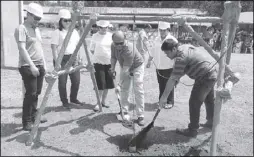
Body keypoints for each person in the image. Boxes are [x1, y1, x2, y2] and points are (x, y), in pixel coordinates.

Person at [159, 39, 217, 137]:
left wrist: (164, 97)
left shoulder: (181, 58)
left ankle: (193, 130)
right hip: (211, 72)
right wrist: (176, 79)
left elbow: (172, 78)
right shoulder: (184, 47)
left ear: (174, 49)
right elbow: (185, 66)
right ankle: (212, 122)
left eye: (167, 53)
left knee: (194, 102)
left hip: (204, 76)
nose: (166, 55)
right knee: (209, 99)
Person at [14, 3, 48, 131]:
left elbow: (39, 47)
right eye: (36, 18)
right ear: (28, 14)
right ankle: (26, 121)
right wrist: (32, 66)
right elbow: (22, 49)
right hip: (27, 66)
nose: (38, 21)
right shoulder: (21, 29)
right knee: (30, 94)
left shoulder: (36, 29)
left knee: (36, 93)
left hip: (39, 65)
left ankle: (34, 115)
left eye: (39, 19)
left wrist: (44, 64)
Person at [110, 31, 145, 126]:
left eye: (121, 43)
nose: (118, 45)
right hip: (124, 65)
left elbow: (126, 70)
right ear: (113, 41)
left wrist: (119, 84)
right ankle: (124, 112)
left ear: (125, 40)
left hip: (137, 66)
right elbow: (113, 57)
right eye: (116, 43)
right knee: (125, 89)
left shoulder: (129, 48)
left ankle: (140, 115)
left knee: (138, 89)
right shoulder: (113, 45)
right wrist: (112, 68)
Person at [51, 9, 83, 109]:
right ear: (60, 21)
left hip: (73, 57)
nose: (68, 22)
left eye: (69, 20)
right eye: (65, 20)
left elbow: (78, 45)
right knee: (62, 82)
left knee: (76, 80)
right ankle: (64, 101)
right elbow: (54, 47)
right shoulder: (57, 32)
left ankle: (73, 98)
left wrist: (79, 57)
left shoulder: (74, 32)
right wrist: (57, 61)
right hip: (62, 58)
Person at [146, 21, 178, 109]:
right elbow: (152, 51)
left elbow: (176, 54)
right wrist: (149, 61)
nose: (162, 32)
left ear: (168, 30)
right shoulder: (156, 39)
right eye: (161, 30)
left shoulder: (173, 40)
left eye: (164, 30)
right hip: (159, 66)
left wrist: (176, 65)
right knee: (161, 84)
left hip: (169, 66)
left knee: (169, 84)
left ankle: (170, 101)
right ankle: (161, 100)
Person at [89, 20, 115, 111]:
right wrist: (99, 56)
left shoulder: (111, 36)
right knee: (100, 84)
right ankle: (98, 102)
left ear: (108, 28)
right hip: (98, 63)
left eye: (106, 28)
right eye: (101, 28)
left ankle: (104, 101)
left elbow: (114, 48)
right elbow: (92, 49)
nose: (104, 29)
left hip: (109, 63)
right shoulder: (95, 36)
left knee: (107, 84)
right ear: (98, 27)